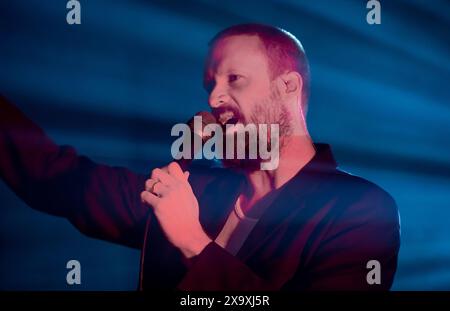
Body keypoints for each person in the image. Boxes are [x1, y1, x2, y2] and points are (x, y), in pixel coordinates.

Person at [0, 23, 400, 290]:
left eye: (234, 79)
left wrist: (193, 242)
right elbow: (61, 181)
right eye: (210, 84)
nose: (213, 98)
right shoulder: (196, 188)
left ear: (288, 87)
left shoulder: (361, 209)